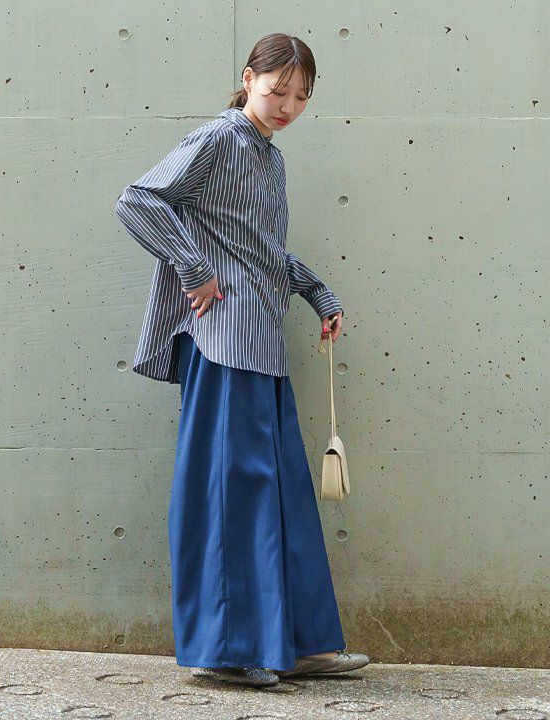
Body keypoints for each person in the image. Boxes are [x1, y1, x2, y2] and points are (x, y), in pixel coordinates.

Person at [115, 32, 370, 688]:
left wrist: (317, 292)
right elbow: (138, 200)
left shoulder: (269, 159)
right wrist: (193, 269)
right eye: (278, 90)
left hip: (262, 343)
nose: (288, 106)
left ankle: (300, 644)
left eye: (301, 96)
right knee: (230, 493)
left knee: (281, 496)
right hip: (222, 342)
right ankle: (227, 651)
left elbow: (262, 247)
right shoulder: (220, 137)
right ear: (249, 77)